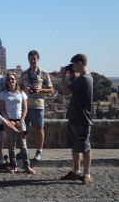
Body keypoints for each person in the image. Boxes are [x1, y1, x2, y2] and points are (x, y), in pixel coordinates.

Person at [60, 54, 93, 184]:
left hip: (81, 118)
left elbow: (65, 90)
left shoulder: (85, 78)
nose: (72, 67)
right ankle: (76, 171)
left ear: (79, 63)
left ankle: (87, 174)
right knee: (75, 146)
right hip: (75, 117)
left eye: (73, 64)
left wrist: (63, 76)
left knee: (85, 147)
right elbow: (74, 89)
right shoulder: (83, 78)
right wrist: (72, 76)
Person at [18, 50, 53, 161]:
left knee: (39, 128)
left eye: (35, 58)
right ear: (28, 59)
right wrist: (24, 90)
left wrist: (40, 90)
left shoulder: (44, 73)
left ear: (38, 59)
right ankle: (23, 151)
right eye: (31, 58)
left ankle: (39, 151)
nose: (33, 60)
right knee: (23, 129)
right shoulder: (23, 74)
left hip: (38, 105)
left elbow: (51, 89)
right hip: (25, 106)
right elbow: (17, 90)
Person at [0, 73, 36, 174]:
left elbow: (25, 108)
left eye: (12, 79)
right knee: (11, 145)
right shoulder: (3, 94)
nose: (11, 81)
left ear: (16, 80)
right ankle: (13, 165)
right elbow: (2, 110)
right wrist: (8, 121)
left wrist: (21, 120)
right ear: (6, 81)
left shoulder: (22, 93)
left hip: (20, 120)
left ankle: (27, 166)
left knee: (23, 144)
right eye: (9, 79)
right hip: (9, 121)